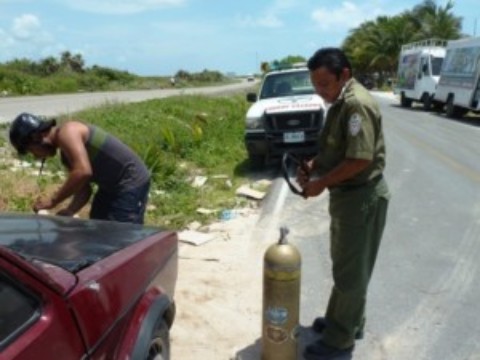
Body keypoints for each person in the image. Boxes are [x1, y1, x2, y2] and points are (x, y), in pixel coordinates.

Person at [296, 48, 390, 359]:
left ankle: (339, 341)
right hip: (349, 198)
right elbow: (339, 149)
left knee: (350, 272)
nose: (319, 91)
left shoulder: (355, 105)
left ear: (344, 75)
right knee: (348, 267)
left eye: (324, 83)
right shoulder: (340, 101)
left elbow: (359, 159)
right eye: (315, 84)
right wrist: (314, 165)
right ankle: (347, 322)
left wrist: (320, 183)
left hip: (360, 198)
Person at [9, 113, 151, 224]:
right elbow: (84, 189)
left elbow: (83, 172)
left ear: (36, 137)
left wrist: (53, 201)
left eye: (31, 150)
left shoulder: (68, 131)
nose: (35, 156)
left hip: (130, 182)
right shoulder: (66, 156)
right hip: (110, 186)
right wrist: (70, 210)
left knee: (121, 233)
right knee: (98, 223)